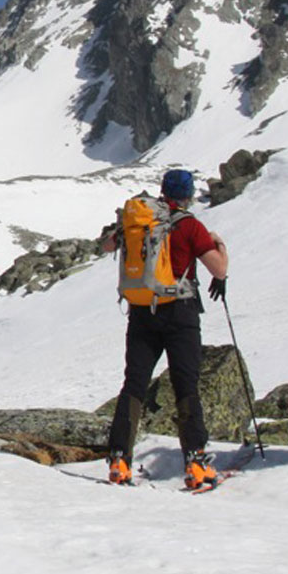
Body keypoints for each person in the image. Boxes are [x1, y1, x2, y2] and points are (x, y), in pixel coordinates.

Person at [100, 168, 230, 489]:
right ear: (187, 195)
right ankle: (196, 464)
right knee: (186, 383)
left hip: (142, 311)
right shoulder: (190, 226)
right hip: (180, 312)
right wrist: (219, 244)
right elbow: (219, 267)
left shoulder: (143, 221)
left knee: (135, 382)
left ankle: (119, 459)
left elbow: (107, 246)